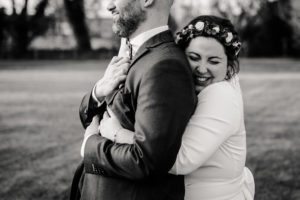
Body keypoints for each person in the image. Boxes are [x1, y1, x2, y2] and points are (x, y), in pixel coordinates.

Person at [98, 16, 255, 200]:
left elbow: (180, 160)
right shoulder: (193, 90)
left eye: (213, 61)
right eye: (194, 58)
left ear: (228, 66)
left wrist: (117, 133)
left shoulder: (221, 95)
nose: (202, 69)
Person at [69, 0, 197, 200]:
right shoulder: (130, 54)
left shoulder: (166, 66)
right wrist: (98, 92)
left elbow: (147, 162)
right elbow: (94, 123)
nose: (109, 5)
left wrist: (89, 148)